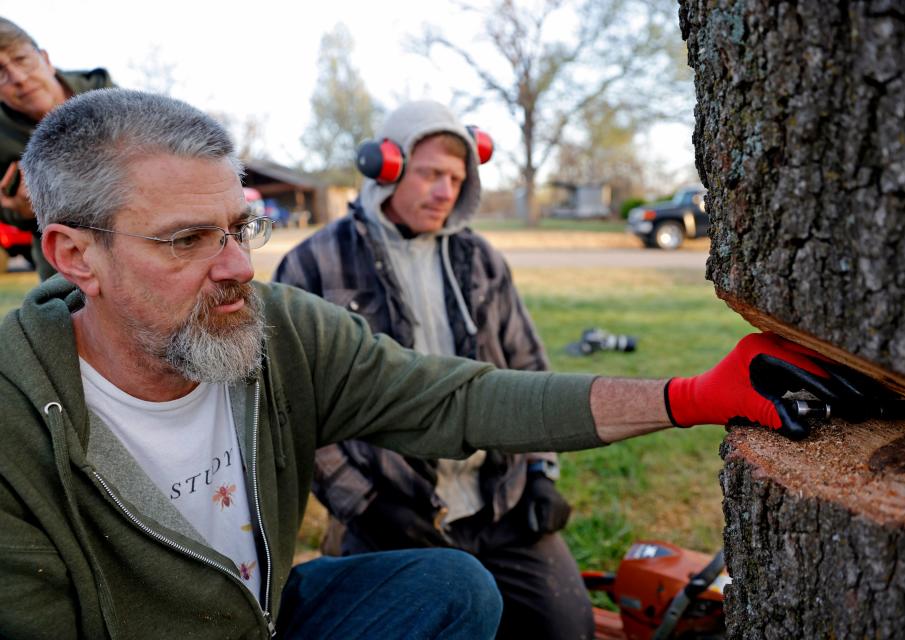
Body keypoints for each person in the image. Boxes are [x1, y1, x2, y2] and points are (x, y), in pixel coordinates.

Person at [2, 88, 856, 639]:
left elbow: (460, 398)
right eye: (187, 240)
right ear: (75, 255)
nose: (235, 266)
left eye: (239, 227)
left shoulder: (279, 330)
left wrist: (690, 394)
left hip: (261, 616)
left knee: (454, 588)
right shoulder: (13, 420)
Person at [274, 100, 593, 639]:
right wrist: (364, 504)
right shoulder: (313, 265)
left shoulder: (483, 258)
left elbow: (528, 363)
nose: (445, 191)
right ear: (386, 167)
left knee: (567, 627)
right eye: (430, 174)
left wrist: (540, 471)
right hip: (393, 511)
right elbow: (293, 407)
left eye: (456, 177)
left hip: (500, 500)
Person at [0, 17, 112, 280]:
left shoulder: (106, 94)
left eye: (21, 59)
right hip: (66, 266)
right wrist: (22, 209)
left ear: (45, 59)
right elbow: (6, 206)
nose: (18, 78)